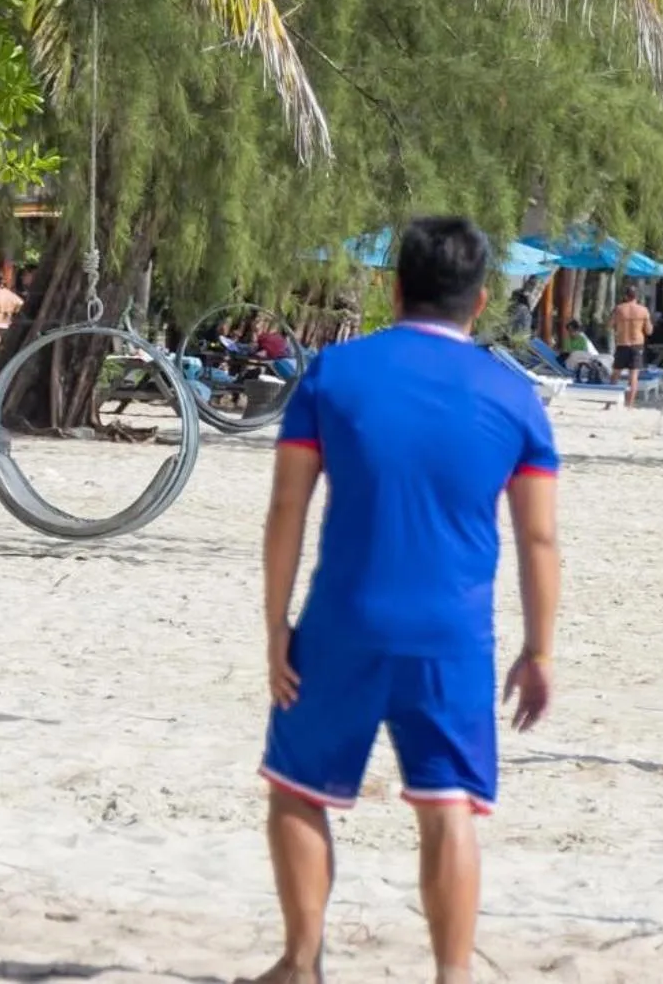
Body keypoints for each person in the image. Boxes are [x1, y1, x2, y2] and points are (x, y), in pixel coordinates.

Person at [255, 216, 560, 984]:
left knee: (297, 789)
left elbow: (286, 510)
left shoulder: (333, 374)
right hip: (452, 637)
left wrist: (274, 626)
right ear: (481, 300)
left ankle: (301, 963)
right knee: (448, 804)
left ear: (395, 289)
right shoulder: (515, 396)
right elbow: (539, 542)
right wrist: (540, 648)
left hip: (341, 623)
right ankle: (452, 973)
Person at [608, 286, 653, 407]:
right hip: (637, 344)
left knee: (615, 374)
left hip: (622, 343)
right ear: (636, 297)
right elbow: (649, 331)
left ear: (626, 296)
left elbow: (609, 325)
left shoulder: (619, 309)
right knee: (633, 376)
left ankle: (609, 402)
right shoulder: (643, 310)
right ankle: (629, 405)